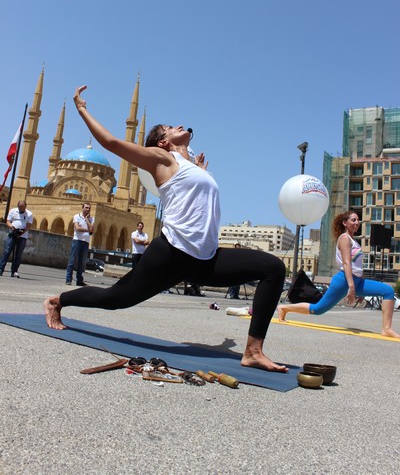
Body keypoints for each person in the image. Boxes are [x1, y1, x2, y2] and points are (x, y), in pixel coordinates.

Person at [45, 85, 288, 373]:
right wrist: (82, 109)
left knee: (273, 268)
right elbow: (111, 142)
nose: (178, 125)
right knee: (116, 299)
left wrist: (198, 169)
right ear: (162, 142)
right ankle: (58, 301)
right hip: (171, 254)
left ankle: (253, 351)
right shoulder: (162, 160)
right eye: (170, 127)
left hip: (205, 259)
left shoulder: (192, 166)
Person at [278, 211, 400, 339]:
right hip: (344, 281)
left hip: (357, 281)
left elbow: (357, 266)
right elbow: (347, 263)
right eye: (353, 220)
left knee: (388, 291)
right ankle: (284, 308)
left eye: (358, 220)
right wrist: (351, 286)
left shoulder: (354, 241)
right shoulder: (344, 238)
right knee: (318, 309)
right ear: (345, 223)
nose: (357, 223)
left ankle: (387, 329)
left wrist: (361, 291)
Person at [0, 200, 33, 278]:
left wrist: (22, 232)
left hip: (22, 236)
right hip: (12, 234)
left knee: (18, 254)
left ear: (25, 207)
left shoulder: (29, 214)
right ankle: (1, 269)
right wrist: (12, 227)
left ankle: (14, 271)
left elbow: (28, 225)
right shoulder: (13, 211)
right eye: (19, 207)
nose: (21, 209)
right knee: (7, 251)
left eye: (22, 207)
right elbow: (8, 221)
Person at [65, 202, 94, 286]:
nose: (88, 209)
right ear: (82, 208)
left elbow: (92, 228)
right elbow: (77, 228)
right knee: (72, 260)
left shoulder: (91, 219)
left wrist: (87, 220)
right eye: (86, 207)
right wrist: (88, 230)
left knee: (82, 262)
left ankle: (79, 281)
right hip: (77, 241)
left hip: (86, 242)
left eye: (89, 208)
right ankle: (68, 279)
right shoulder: (76, 216)